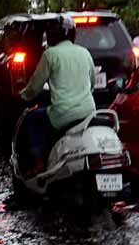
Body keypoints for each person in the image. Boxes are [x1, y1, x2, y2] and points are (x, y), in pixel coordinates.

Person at [19, 14, 96, 175]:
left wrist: (22, 96)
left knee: (32, 119)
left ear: (52, 35)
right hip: (89, 112)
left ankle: (39, 163)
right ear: (73, 34)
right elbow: (92, 83)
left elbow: (35, 86)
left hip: (62, 114)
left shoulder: (50, 55)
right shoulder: (85, 52)